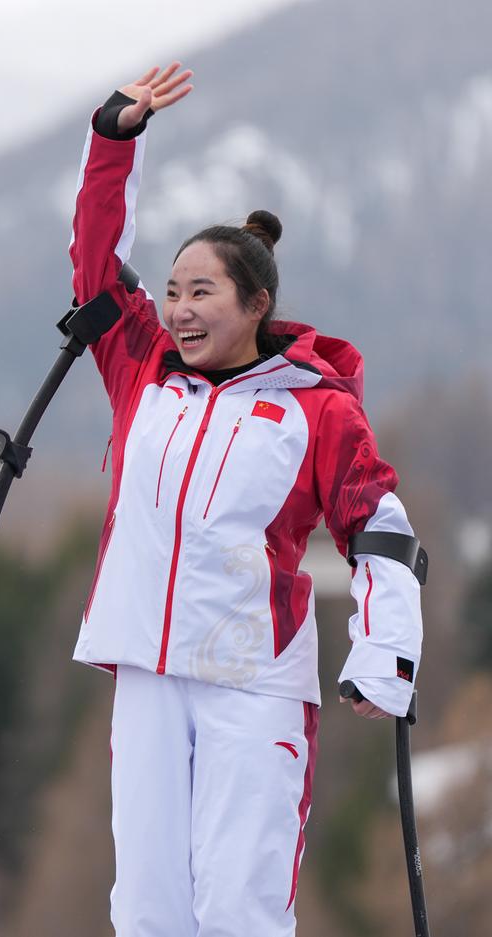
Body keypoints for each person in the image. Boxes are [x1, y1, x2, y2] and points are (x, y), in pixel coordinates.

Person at [68, 62, 423, 937]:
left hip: (252, 679)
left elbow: (378, 527)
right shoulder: (143, 368)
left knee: (237, 907)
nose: (182, 311)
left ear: (257, 303)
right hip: (148, 672)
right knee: (148, 911)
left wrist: (386, 652)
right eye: (176, 292)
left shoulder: (314, 404)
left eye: (204, 294)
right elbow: (94, 265)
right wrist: (114, 140)